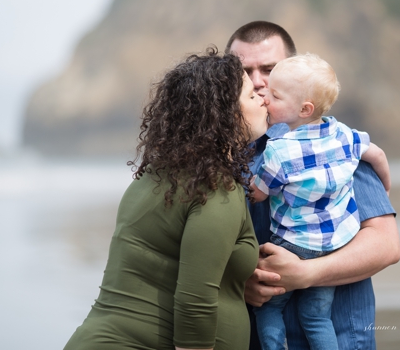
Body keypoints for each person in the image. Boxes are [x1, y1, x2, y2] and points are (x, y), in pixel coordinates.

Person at [64, 49, 265, 349]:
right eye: (251, 96)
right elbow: (194, 303)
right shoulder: (215, 188)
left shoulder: (157, 175)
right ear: (227, 115)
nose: (263, 98)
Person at [225, 22, 400, 350]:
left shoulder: (334, 142)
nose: (258, 81)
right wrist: (237, 282)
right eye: (245, 71)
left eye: (269, 69)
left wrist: (307, 274)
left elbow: (386, 245)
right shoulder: (220, 158)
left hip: (343, 337)